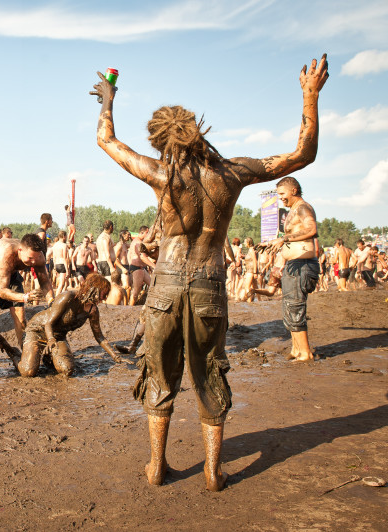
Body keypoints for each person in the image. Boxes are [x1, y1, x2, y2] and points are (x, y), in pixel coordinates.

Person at [91, 53, 328, 491]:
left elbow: (106, 140)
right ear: (197, 132)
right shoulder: (232, 172)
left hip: (165, 286)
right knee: (209, 373)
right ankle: (212, 471)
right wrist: (310, 96)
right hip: (208, 286)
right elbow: (303, 154)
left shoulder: (161, 174)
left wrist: (108, 99)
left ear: (163, 141)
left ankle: (157, 465)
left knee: (159, 374)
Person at [18, 273, 121, 377]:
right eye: (103, 294)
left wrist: (115, 356)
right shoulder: (68, 297)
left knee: (67, 369)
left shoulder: (93, 311)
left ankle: (48, 357)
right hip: (37, 330)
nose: (103, 299)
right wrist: (50, 340)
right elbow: (48, 323)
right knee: (28, 371)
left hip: (58, 336)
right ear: (93, 289)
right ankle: (16, 356)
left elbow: (99, 337)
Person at [0, 234, 53, 371]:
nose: (33, 263)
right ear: (20, 251)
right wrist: (25, 297)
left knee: (20, 315)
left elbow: (45, 282)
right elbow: (1, 291)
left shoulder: (38, 257)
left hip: (11, 274)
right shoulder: (8, 253)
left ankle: (25, 353)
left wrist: (52, 301)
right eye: (29, 259)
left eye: (35, 259)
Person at [266, 177, 320, 362]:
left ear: (294, 190)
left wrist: (285, 239)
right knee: (289, 307)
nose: (281, 198)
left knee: (295, 306)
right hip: (293, 264)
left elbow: (311, 229)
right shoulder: (293, 210)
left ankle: (305, 352)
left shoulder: (304, 207)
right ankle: (296, 349)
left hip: (302, 265)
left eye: (282, 194)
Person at [51, 230, 70, 296]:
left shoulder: (55, 245)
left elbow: (54, 257)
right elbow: (65, 258)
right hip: (62, 265)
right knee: (61, 284)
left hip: (56, 264)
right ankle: (56, 299)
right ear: (64, 236)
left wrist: (54, 267)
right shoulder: (64, 245)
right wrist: (67, 270)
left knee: (63, 284)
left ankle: (60, 297)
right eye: (66, 236)